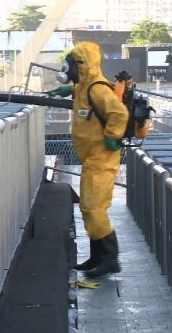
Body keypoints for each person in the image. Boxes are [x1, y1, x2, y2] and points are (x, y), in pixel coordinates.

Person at [51, 41, 129, 279]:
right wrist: (70, 91)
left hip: (102, 157)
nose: (68, 70)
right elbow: (83, 97)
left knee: (94, 208)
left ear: (81, 65)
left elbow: (119, 112)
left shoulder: (97, 89)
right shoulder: (85, 88)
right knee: (88, 207)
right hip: (92, 158)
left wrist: (112, 137)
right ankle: (97, 256)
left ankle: (109, 259)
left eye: (71, 65)